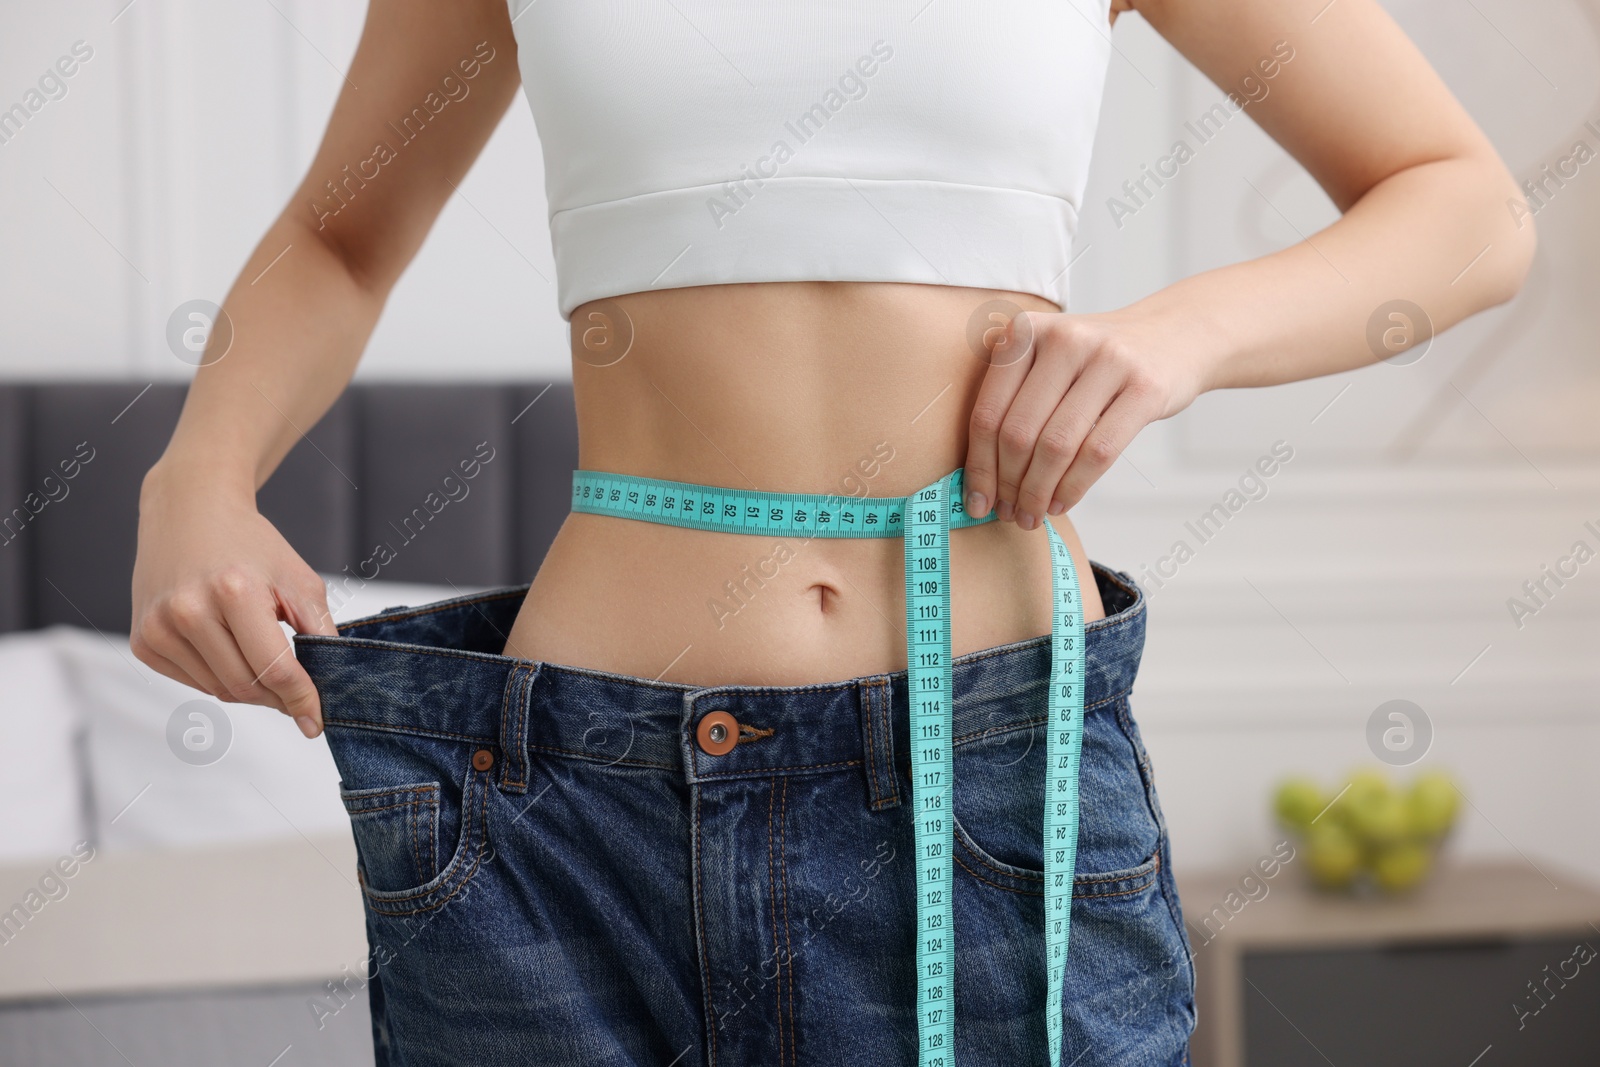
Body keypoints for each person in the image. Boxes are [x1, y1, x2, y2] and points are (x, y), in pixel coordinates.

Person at [130, 0, 1534, 1064]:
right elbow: (341, 232)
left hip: (992, 782)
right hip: (573, 815)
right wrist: (193, 473)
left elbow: (1463, 205)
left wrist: (1186, 335)